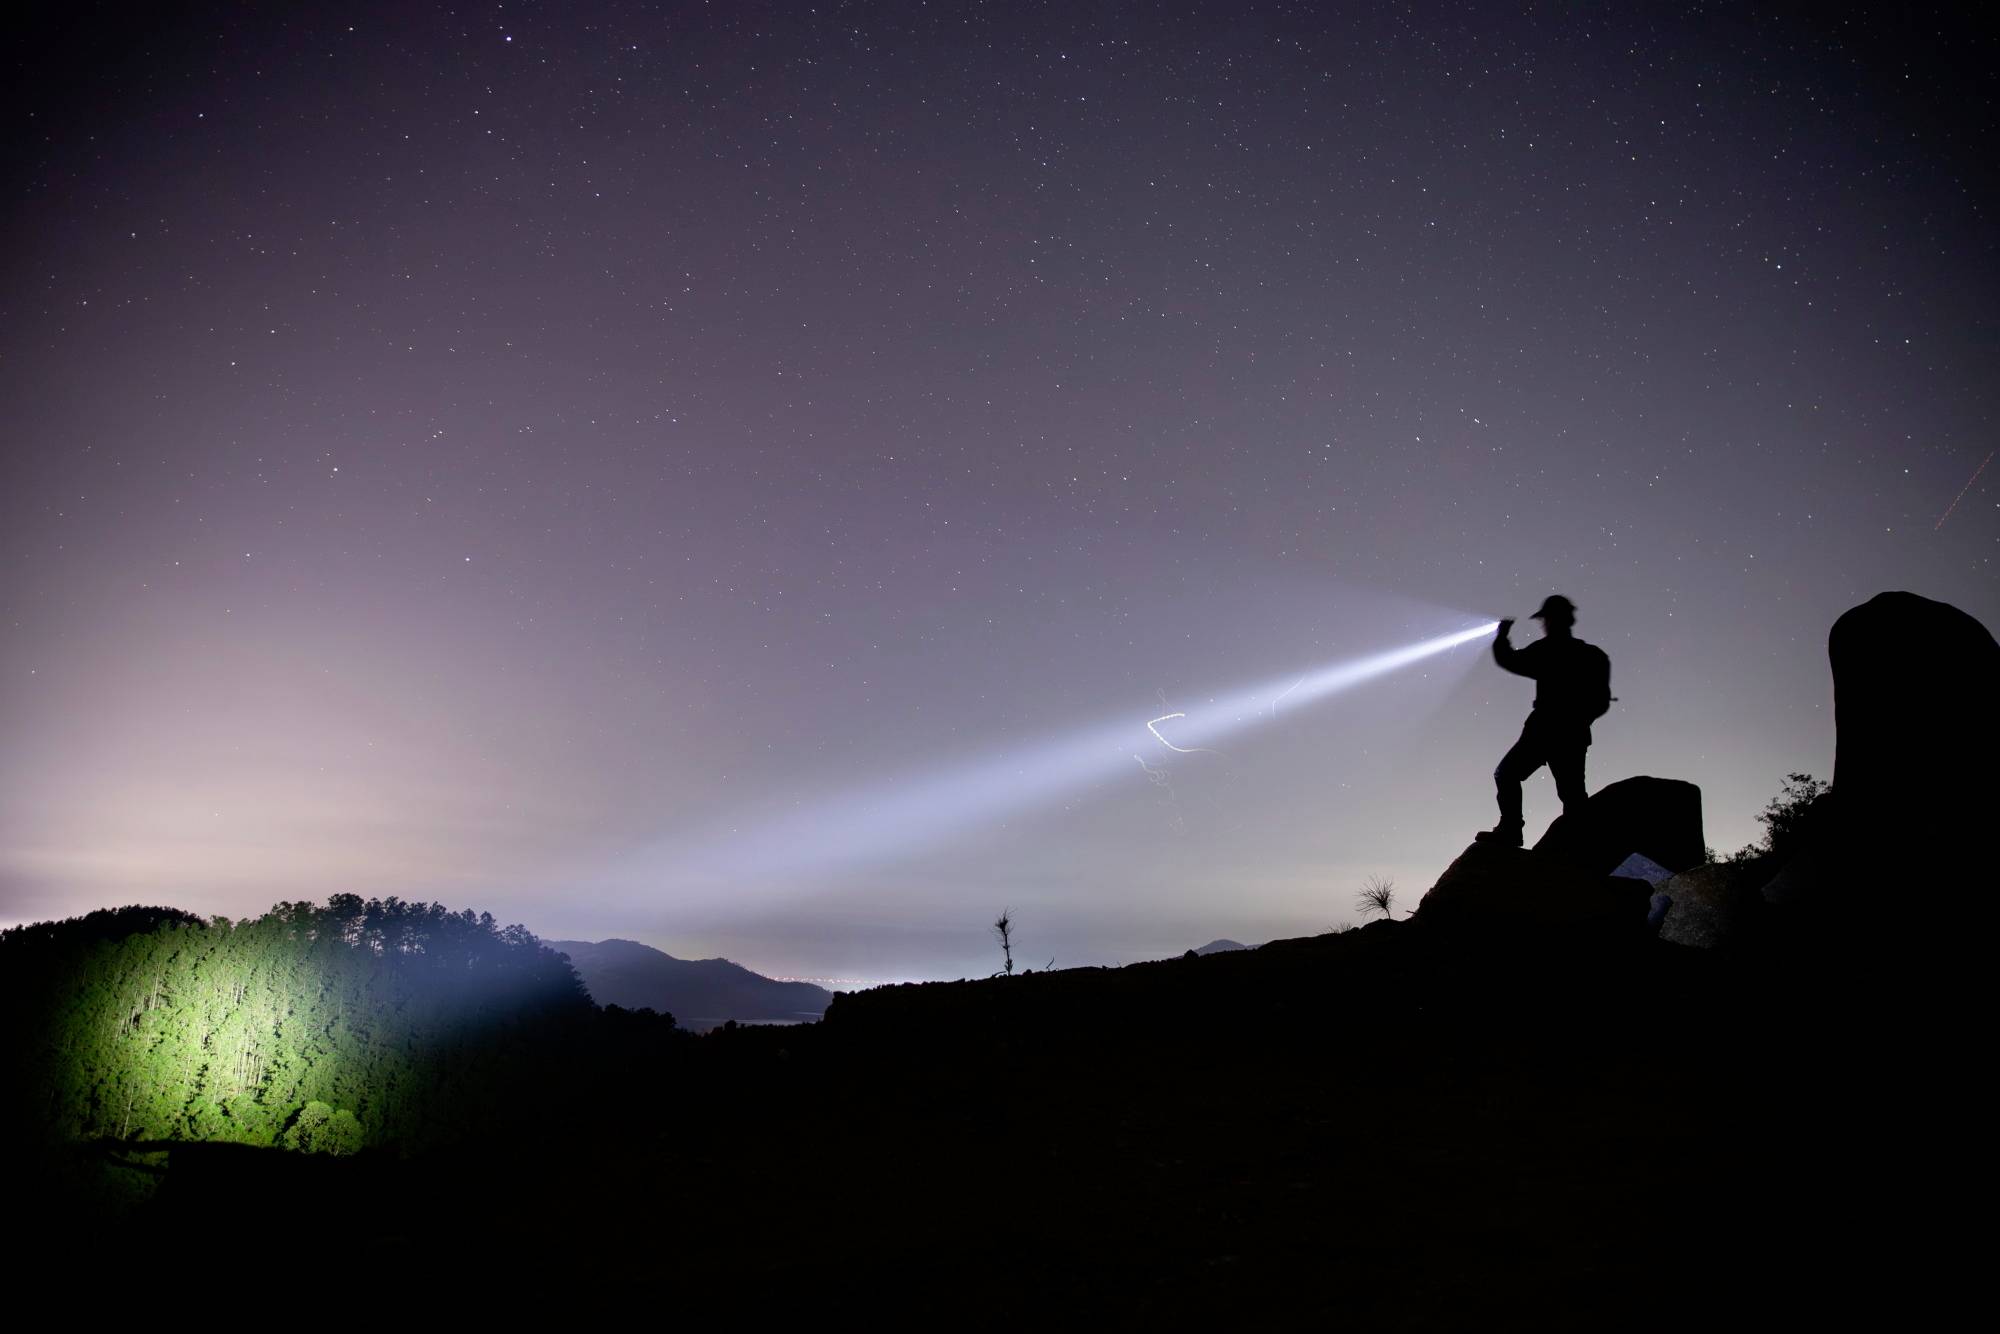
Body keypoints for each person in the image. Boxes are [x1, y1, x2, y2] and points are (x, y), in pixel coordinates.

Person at [1477, 594, 1612, 847]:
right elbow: (1601, 702)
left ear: (1551, 620)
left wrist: (1502, 637)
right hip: (1570, 734)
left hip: (1544, 730)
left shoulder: (1547, 650)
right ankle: (1583, 847)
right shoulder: (1593, 656)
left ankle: (1511, 830)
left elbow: (1509, 660)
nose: (1544, 624)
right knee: (1572, 796)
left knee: (1507, 774)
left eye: (1546, 619)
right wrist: (1580, 720)